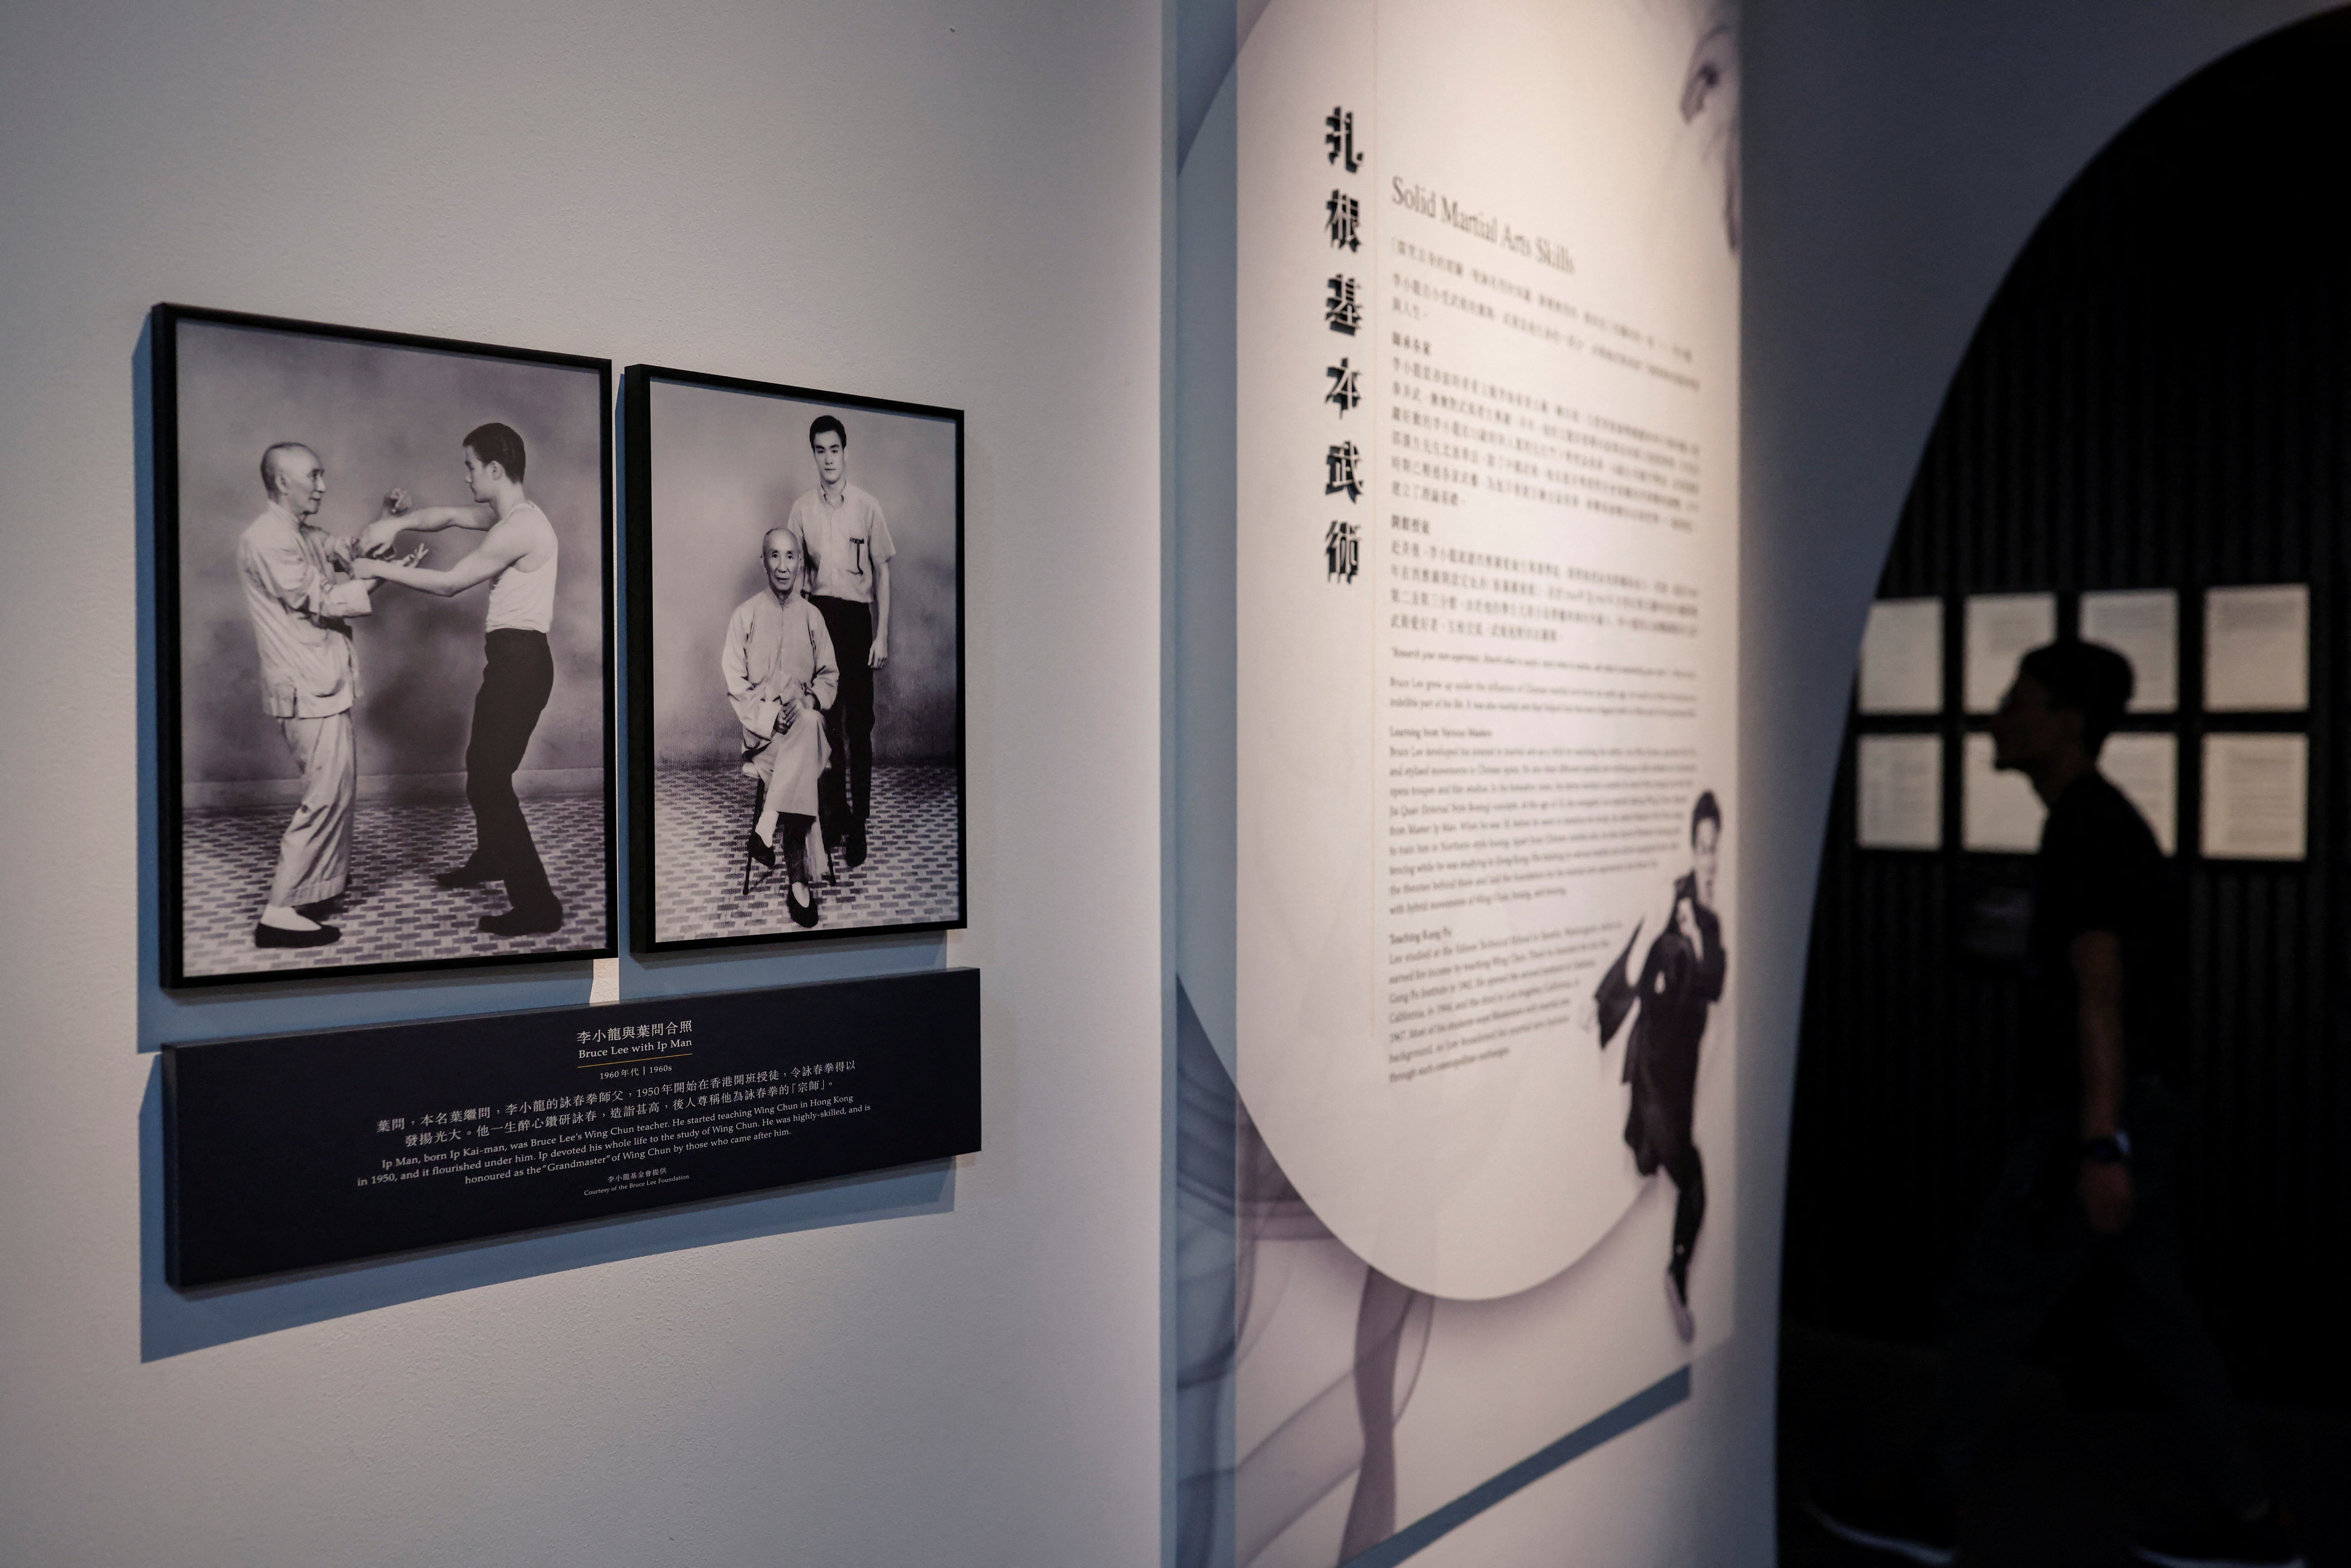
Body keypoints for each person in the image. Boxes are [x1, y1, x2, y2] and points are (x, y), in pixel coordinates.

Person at [1810, 640, 2299, 1568]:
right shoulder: (2094, 819)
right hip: (2130, 1115)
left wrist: (2099, 1143)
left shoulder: (2086, 825)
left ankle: (1929, 1500)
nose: (1999, 714)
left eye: (2019, 700)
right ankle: (2254, 1515)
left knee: (1993, 1299)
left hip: (2098, 1121)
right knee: (2160, 1316)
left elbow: (2099, 993)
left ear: (2067, 720)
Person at [353, 422, 565, 936]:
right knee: (482, 769)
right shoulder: (510, 514)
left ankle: (539, 906)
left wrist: (372, 566)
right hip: (514, 661)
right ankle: (492, 858)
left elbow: (450, 584)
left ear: (495, 469)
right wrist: (392, 527)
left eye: (470, 466)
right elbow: (446, 515)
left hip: (521, 664)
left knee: (491, 780)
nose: (465, 476)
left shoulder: (519, 528)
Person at [233, 442, 412, 949]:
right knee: (324, 795)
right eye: (313, 476)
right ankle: (280, 911)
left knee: (337, 790)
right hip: (305, 689)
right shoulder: (267, 540)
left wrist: (386, 519)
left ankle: (315, 892)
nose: (323, 486)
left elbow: (349, 552)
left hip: (322, 684)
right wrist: (388, 574)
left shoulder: (297, 533)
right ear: (282, 482)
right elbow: (330, 600)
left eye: (323, 476)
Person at [1595, 791, 1726, 1343]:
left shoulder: (1708, 922)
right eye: (1702, 847)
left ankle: (1674, 1265)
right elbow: (1636, 954)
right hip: (1659, 1074)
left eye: (1715, 848)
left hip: (1679, 1074)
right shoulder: (1673, 907)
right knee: (1683, 1175)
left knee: (1655, 1161)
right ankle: (1676, 1268)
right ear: (1689, 846)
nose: (1710, 859)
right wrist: (1604, 998)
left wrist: (1698, 941)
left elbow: (1715, 983)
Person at [784, 414, 893, 869]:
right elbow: (791, 575)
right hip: (818, 620)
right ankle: (834, 819)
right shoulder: (802, 509)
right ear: (813, 454)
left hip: (855, 623)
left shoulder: (867, 507)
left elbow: (883, 571)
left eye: (835, 449)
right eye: (820, 450)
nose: (828, 459)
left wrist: (882, 633)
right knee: (824, 730)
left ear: (846, 452)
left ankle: (860, 824)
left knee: (858, 730)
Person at [721, 528, 839, 928]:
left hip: (804, 725)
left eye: (791, 557)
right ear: (764, 562)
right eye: (775, 556)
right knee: (804, 745)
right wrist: (772, 718)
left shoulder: (813, 617)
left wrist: (807, 701)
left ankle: (766, 826)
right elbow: (736, 687)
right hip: (764, 736)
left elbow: (830, 676)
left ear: (800, 563)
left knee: (807, 723)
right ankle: (799, 885)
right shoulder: (745, 616)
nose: (784, 566)